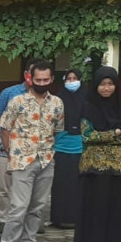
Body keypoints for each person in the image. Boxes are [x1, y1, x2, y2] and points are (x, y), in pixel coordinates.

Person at [0, 59, 63, 242]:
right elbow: (4, 127)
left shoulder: (57, 103)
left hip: (46, 160)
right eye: (38, 79)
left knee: (37, 206)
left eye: (45, 79)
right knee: (18, 205)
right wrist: (11, 150)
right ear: (30, 78)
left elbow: (58, 129)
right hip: (22, 160)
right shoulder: (17, 101)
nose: (41, 83)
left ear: (51, 79)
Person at [73, 67, 121, 242]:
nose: (107, 88)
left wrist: (113, 135)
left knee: (113, 208)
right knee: (93, 207)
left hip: (116, 167)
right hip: (93, 167)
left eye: (111, 84)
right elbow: (88, 135)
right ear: (95, 86)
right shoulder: (88, 107)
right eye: (102, 84)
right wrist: (115, 133)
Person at [0, 64, 34, 233]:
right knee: (3, 188)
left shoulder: (46, 97)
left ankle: (25, 220)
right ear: (26, 74)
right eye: (31, 73)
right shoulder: (9, 93)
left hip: (30, 152)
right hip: (5, 150)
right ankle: (2, 220)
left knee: (27, 189)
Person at [49, 67, 86, 229]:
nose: (71, 82)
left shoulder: (87, 98)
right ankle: (58, 218)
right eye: (68, 79)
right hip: (61, 148)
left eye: (74, 78)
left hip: (80, 148)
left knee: (77, 185)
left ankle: (76, 218)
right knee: (60, 185)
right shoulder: (57, 99)